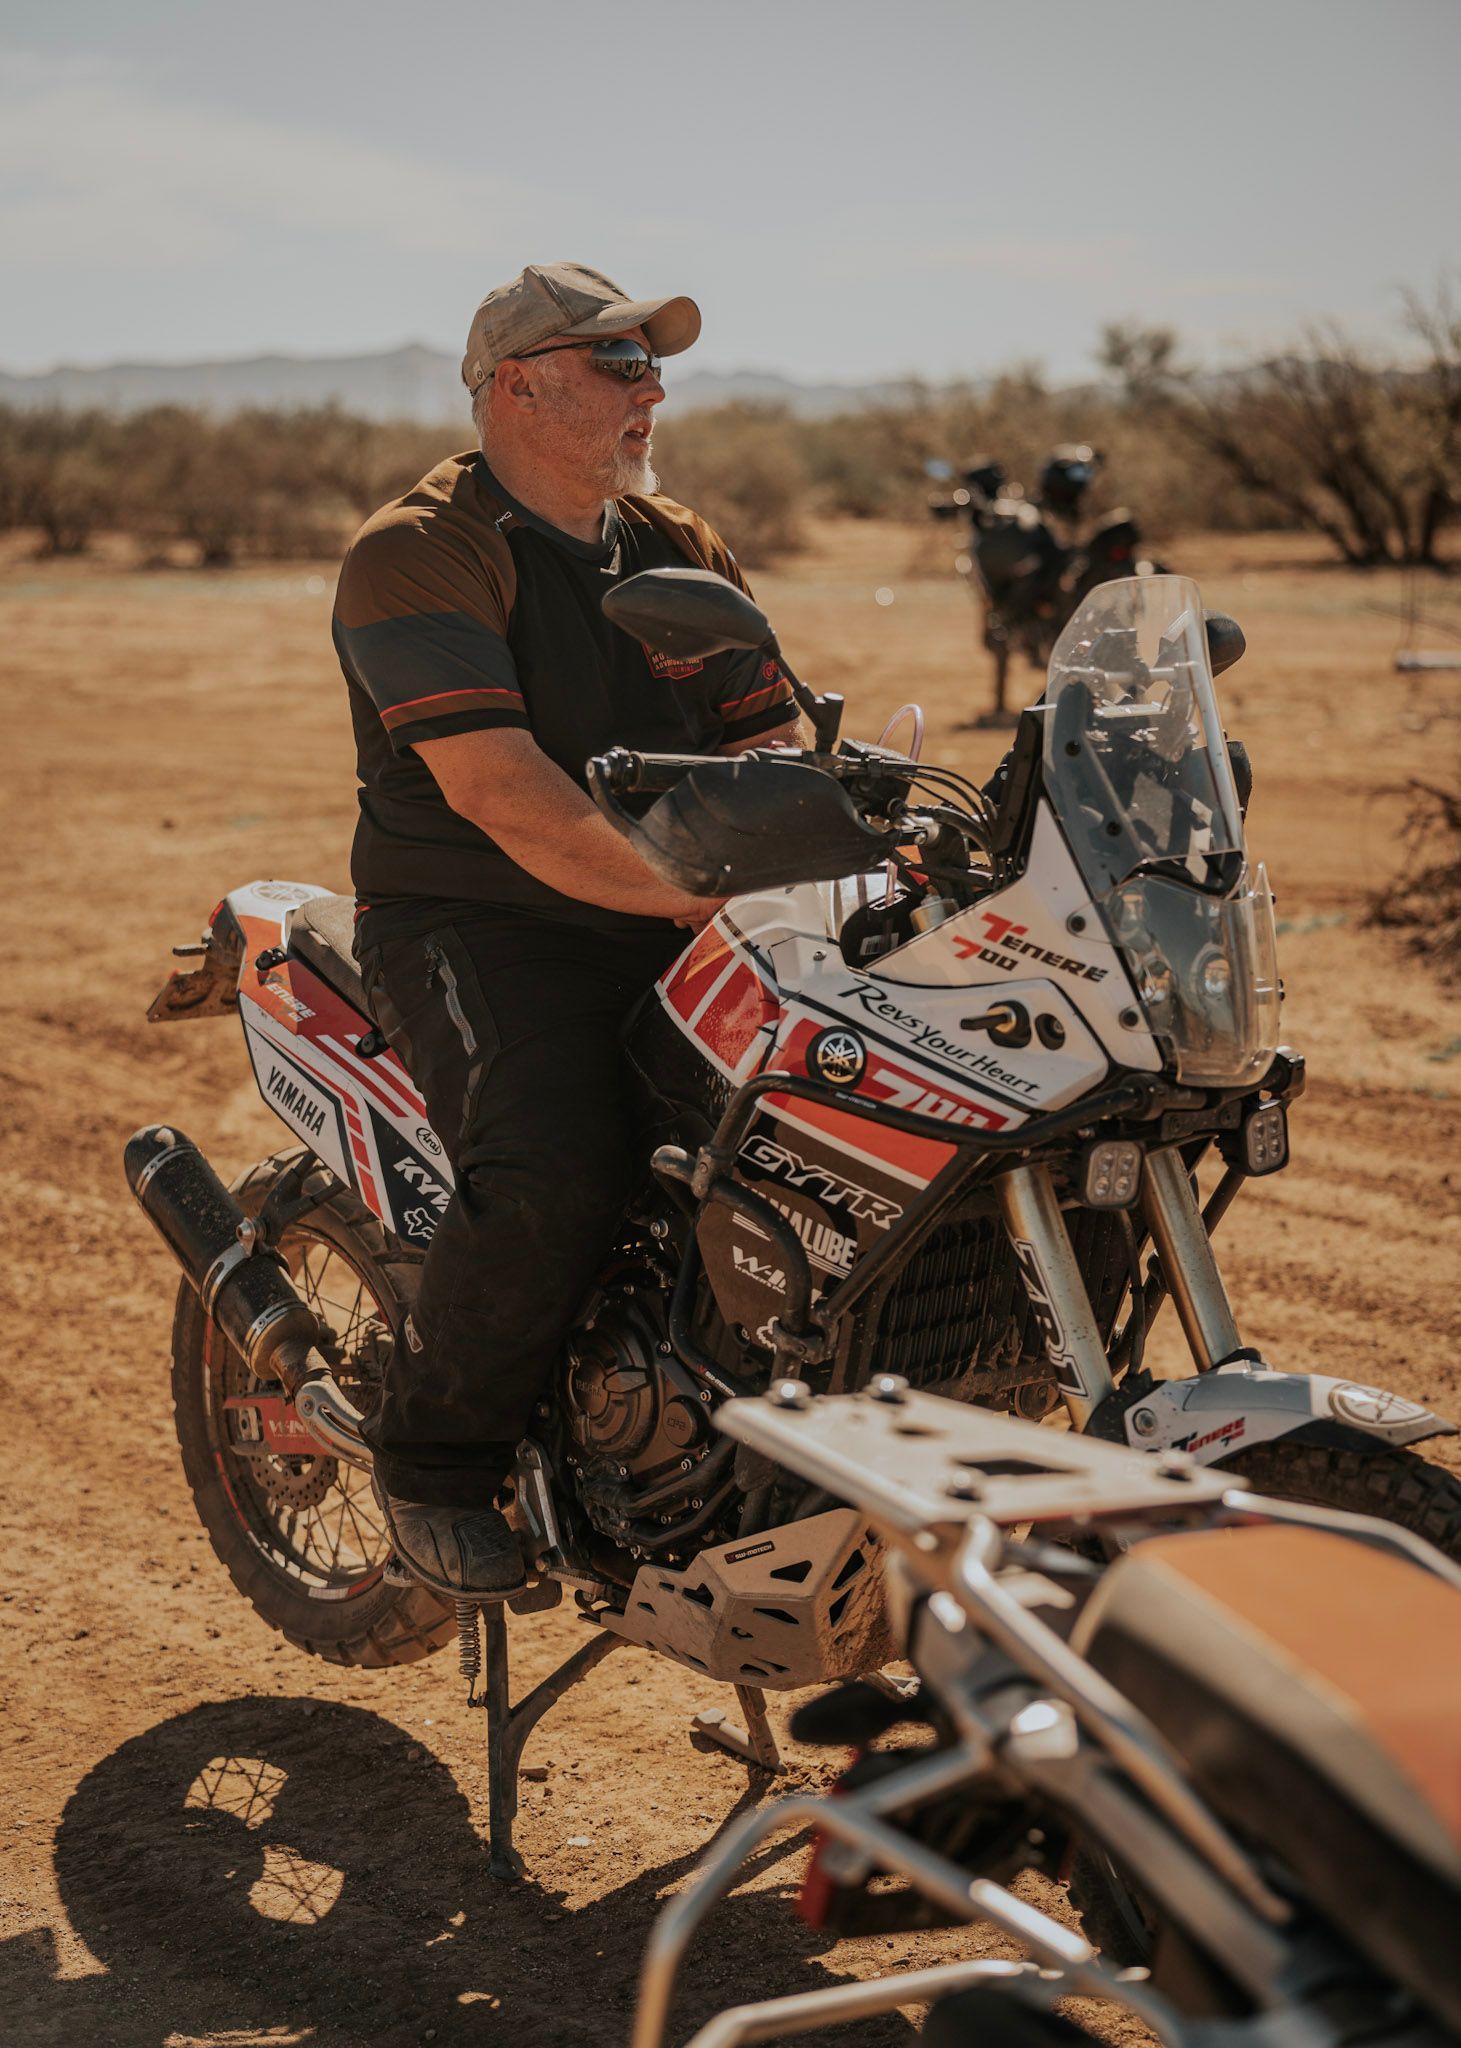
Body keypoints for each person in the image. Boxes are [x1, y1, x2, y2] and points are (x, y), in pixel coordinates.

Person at [332, 262, 808, 1596]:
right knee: (555, 1166)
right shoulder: (419, 547)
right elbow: (496, 790)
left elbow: (765, 733)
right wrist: (692, 895)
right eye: (620, 363)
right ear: (516, 387)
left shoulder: (678, 543)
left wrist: (818, 822)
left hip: (679, 903)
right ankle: (433, 1461)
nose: (654, 389)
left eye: (654, 364)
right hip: (477, 920)